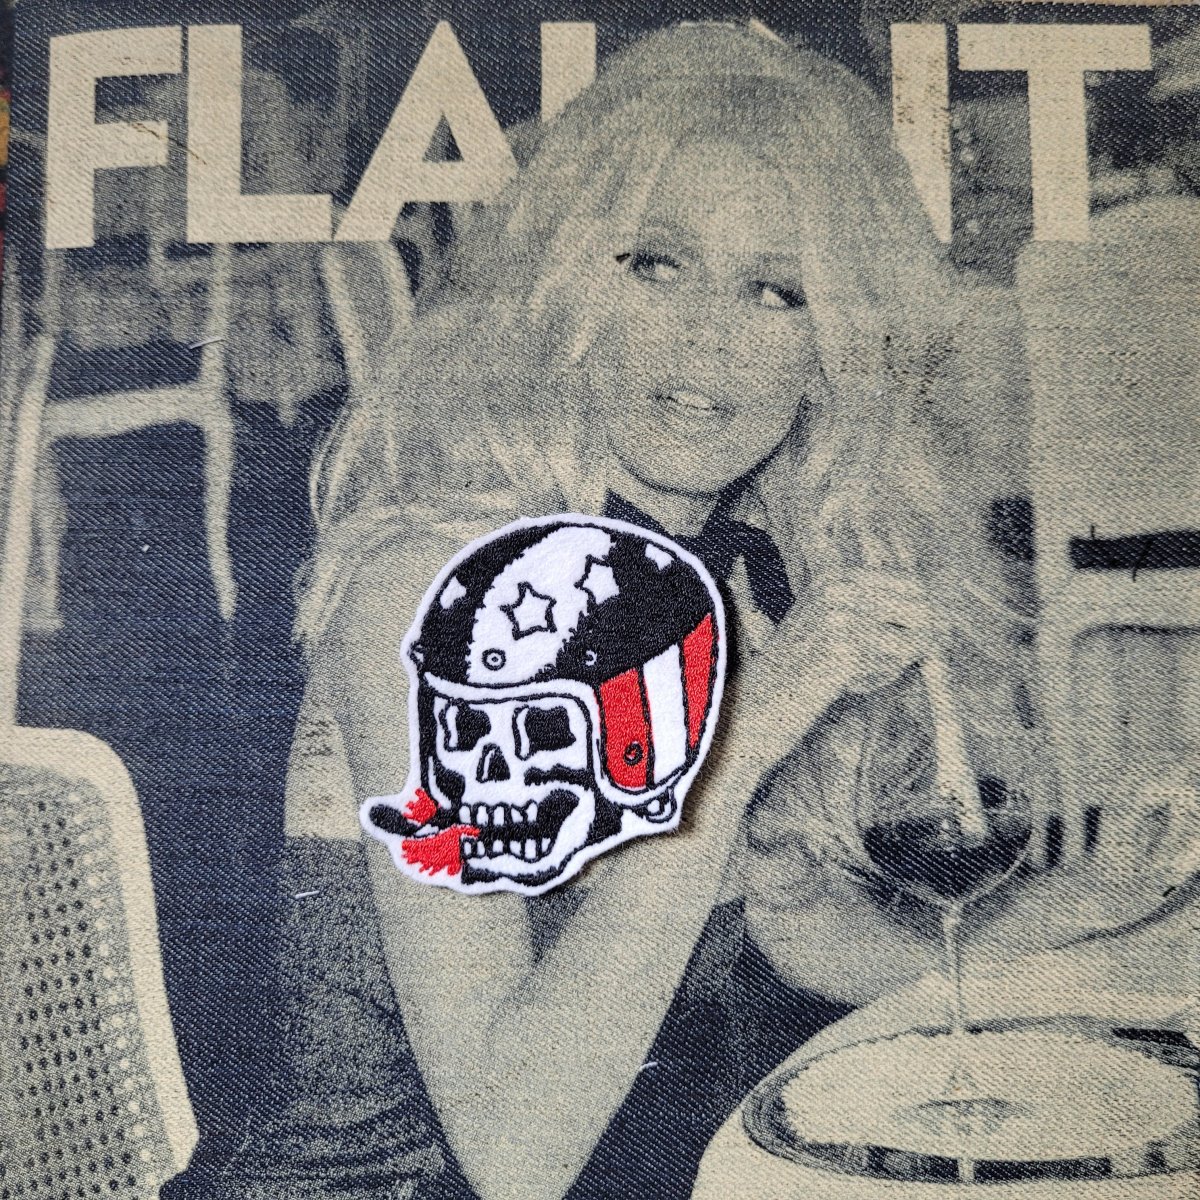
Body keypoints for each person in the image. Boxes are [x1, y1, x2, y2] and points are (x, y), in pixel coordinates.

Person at [167, 23, 1043, 1200]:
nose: (705, 336)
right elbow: (514, 1150)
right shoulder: (434, 588)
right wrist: (748, 732)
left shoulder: (725, 589)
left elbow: (803, 933)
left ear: (829, 353)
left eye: (775, 291)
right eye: (657, 265)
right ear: (565, 286)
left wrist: (1096, 919)